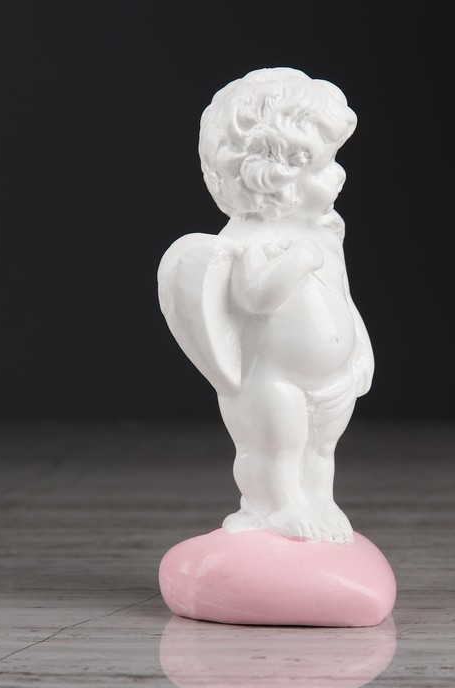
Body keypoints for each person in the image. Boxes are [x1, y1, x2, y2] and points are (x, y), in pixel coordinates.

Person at [159, 68, 374, 542]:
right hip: (271, 381)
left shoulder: (323, 230)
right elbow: (254, 296)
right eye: (324, 166)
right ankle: (277, 506)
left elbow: (342, 295)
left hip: (332, 379)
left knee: (320, 450)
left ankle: (319, 501)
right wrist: (296, 261)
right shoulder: (252, 239)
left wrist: (360, 349)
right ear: (276, 180)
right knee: (277, 447)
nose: (340, 175)